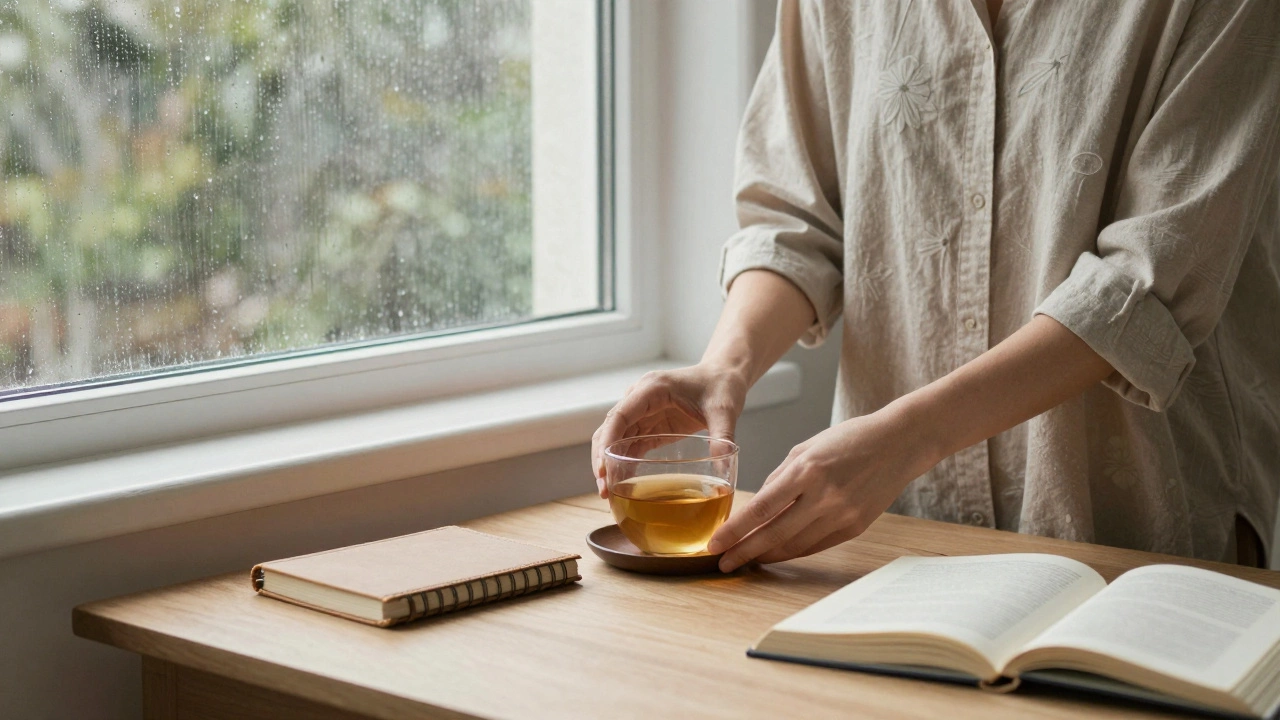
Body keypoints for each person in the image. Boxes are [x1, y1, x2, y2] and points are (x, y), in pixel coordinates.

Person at [591, 0, 1280, 572]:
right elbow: (799, 220)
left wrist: (905, 440)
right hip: (893, 546)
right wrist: (723, 369)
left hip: (1139, 538)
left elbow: (1143, 285)